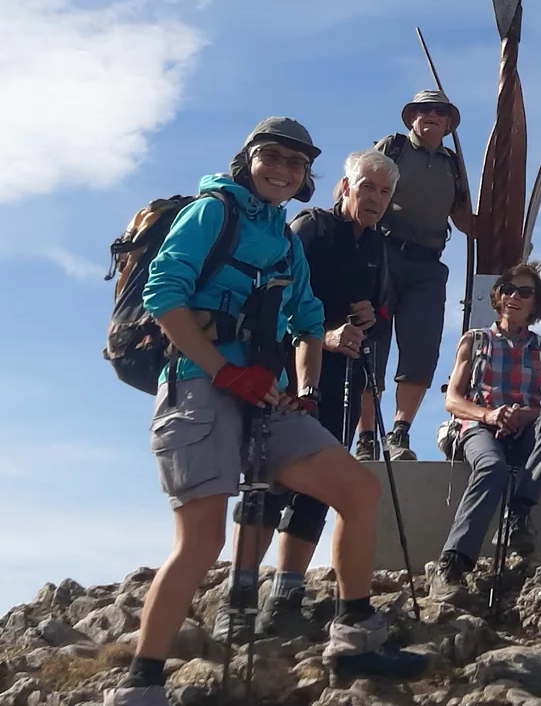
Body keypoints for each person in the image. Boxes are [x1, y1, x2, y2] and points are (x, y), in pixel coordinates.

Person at [105, 119, 422, 706]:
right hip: (198, 388)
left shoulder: (282, 235)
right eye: (270, 156)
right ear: (246, 159)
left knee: (356, 489)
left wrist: (303, 388)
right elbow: (164, 294)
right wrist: (224, 370)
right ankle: (139, 686)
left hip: (268, 397)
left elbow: (305, 321)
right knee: (201, 541)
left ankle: (353, 637)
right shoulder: (211, 213)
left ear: (306, 178)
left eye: (295, 164)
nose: (282, 169)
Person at [211, 148, 401, 637]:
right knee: (268, 482)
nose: (375, 199)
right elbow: (271, 302)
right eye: (367, 188)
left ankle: (286, 595)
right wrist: (329, 335)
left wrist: (366, 321)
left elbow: (381, 319)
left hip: (340, 380)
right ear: (345, 186)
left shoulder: (377, 248)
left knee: (317, 491)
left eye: (385, 192)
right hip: (283, 374)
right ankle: (241, 595)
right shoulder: (310, 228)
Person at [428, 262, 541, 594]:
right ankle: (452, 564)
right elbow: (452, 400)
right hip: (478, 426)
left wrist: (522, 416)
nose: (514, 297)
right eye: (508, 289)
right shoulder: (474, 340)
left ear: (536, 304)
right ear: (498, 297)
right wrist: (491, 415)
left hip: (523, 430)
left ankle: (517, 515)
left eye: (525, 292)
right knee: (491, 467)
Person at [362, 90, 479, 461]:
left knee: (421, 349)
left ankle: (399, 433)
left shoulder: (452, 163)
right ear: (412, 117)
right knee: (371, 345)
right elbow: (359, 186)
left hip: (427, 264)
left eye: (438, 112)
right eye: (423, 110)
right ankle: (367, 437)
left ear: (447, 124)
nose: (430, 116)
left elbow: (462, 218)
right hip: (383, 254)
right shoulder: (392, 148)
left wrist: (495, 229)